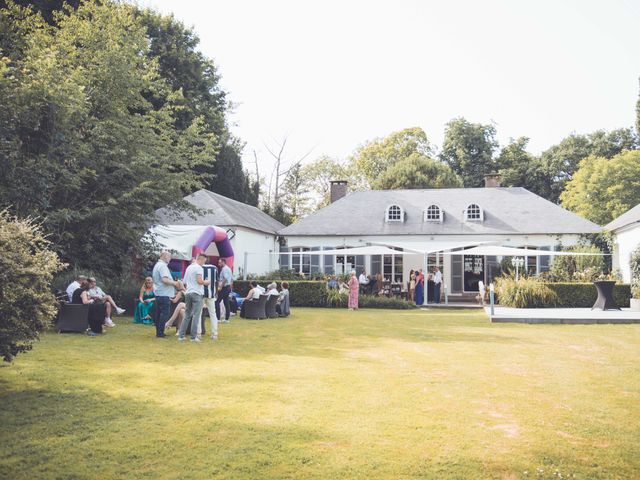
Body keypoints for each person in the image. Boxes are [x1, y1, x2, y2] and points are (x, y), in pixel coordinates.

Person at [178, 253, 210, 342]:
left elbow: (184, 281)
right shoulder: (199, 268)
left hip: (188, 292)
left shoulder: (189, 267)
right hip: (197, 293)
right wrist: (206, 282)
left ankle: (181, 335)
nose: (204, 263)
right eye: (204, 261)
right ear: (201, 259)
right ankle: (193, 337)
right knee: (196, 315)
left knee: (187, 314)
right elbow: (199, 281)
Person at [152, 251, 184, 338]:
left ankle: (158, 332)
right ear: (165, 256)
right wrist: (175, 283)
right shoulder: (162, 266)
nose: (170, 259)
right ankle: (160, 333)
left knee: (159, 313)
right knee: (164, 314)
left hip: (159, 293)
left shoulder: (157, 265)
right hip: (164, 293)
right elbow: (165, 280)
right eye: (169, 257)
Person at [199, 262, 218, 340]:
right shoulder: (214, 268)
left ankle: (198, 333)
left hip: (201, 294)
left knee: (198, 314)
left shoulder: (199, 268)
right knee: (213, 314)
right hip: (211, 294)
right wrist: (216, 293)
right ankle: (214, 334)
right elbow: (217, 282)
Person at [215, 258, 233, 324]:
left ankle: (218, 318)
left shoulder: (224, 269)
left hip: (224, 288)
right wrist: (230, 288)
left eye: (219, 263)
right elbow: (231, 279)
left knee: (217, 302)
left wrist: (220, 286)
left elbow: (225, 278)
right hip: (228, 287)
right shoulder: (229, 268)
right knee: (226, 303)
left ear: (223, 262)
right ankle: (227, 319)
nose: (218, 264)